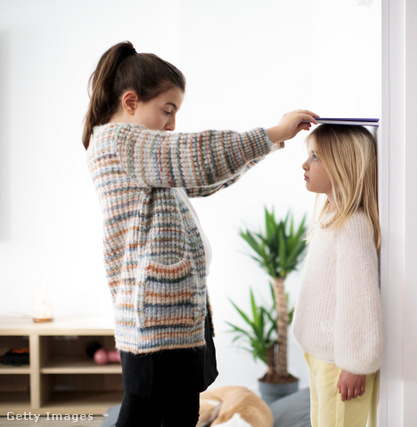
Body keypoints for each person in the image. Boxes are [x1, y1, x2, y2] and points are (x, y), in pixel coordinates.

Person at [83, 40, 317, 427]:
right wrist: (273, 131)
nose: (172, 124)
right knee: (149, 411)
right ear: (130, 102)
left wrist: (271, 144)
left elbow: (204, 180)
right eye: (167, 110)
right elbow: (199, 155)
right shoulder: (122, 141)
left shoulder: (140, 152)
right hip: (159, 316)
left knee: (177, 409)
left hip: (175, 311)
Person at [292, 124, 383, 427]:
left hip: (340, 363)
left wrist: (355, 365)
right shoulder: (332, 216)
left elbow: (360, 299)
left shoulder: (353, 226)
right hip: (321, 355)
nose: (305, 164)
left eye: (315, 157)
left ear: (343, 166)